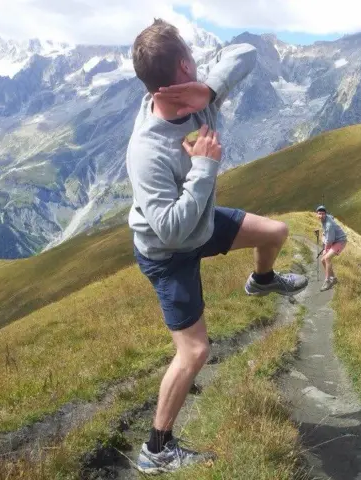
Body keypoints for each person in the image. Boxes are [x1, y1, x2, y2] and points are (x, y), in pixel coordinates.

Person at [125, 19, 308, 474]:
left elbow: (246, 52)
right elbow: (168, 230)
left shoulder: (197, 97)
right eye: (192, 57)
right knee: (194, 352)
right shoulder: (147, 151)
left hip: (202, 225)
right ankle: (156, 448)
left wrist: (207, 89)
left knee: (276, 232)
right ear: (183, 64)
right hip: (168, 254)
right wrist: (204, 169)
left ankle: (262, 282)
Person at [316, 205, 347, 291]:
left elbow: (329, 241)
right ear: (316, 214)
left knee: (327, 258)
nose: (321, 216)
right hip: (334, 240)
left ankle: (328, 281)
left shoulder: (329, 225)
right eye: (319, 214)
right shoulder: (326, 218)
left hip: (340, 241)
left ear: (325, 214)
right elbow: (331, 217)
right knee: (323, 260)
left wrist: (325, 250)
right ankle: (333, 278)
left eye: (323, 214)